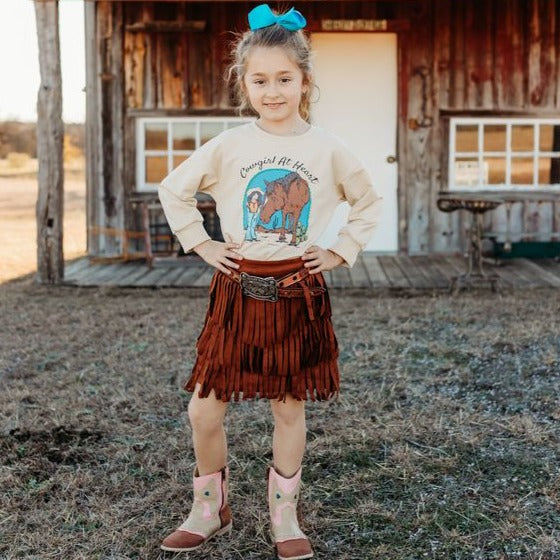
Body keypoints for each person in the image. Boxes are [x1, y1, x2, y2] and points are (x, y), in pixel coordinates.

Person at [157, 3, 383, 558]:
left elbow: (367, 202)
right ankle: (210, 507)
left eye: (285, 78)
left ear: (305, 81)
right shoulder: (230, 145)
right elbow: (174, 189)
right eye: (260, 80)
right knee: (203, 408)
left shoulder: (327, 149)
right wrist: (204, 242)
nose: (273, 90)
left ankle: (286, 516)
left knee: (288, 407)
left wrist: (338, 250)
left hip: (296, 293)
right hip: (235, 292)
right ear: (244, 82)